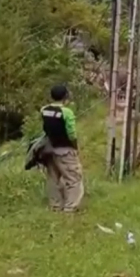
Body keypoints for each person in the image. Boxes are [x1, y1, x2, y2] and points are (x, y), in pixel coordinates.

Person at [40, 84, 84, 212]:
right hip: (65, 149)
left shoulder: (44, 110)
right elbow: (71, 133)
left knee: (53, 178)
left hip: (49, 149)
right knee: (74, 178)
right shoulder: (67, 112)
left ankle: (55, 205)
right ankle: (70, 208)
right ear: (65, 96)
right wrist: (75, 147)